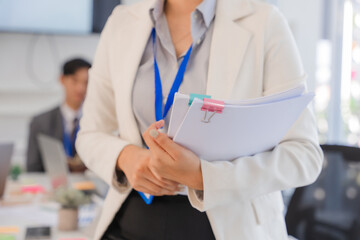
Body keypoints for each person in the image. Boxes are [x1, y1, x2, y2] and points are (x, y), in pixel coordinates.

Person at [76, 0, 323, 239]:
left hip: (228, 224)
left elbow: (304, 155)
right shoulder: (122, 22)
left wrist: (203, 176)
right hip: (132, 217)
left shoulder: (265, 23)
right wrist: (126, 157)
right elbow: (90, 134)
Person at [27, 58, 91, 173]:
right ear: (62, 79)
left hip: (89, 187)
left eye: (86, 82)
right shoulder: (40, 122)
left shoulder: (96, 122)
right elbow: (32, 168)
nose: (80, 88)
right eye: (75, 81)